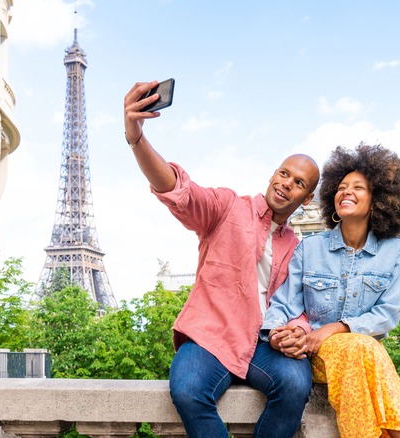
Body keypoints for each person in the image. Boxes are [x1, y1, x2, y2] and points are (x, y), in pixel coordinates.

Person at [123, 80, 320, 438]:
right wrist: (135, 136)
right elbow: (176, 189)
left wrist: (298, 332)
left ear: (306, 199)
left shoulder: (300, 248)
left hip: (265, 344)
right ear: (273, 174)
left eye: (299, 183)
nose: (287, 183)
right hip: (211, 338)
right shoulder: (228, 207)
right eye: (284, 173)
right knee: (187, 390)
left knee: (295, 385)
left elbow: (305, 306)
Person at [262, 144, 400, 438]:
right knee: (361, 348)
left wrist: (339, 327)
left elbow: (389, 313)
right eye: (341, 187)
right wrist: (275, 332)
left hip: (365, 357)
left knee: (380, 363)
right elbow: (283, 303)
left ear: (378, 200)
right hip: (319, 355)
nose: (345, 191)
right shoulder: (310, 248)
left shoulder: (395, 251)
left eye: (358, 187)